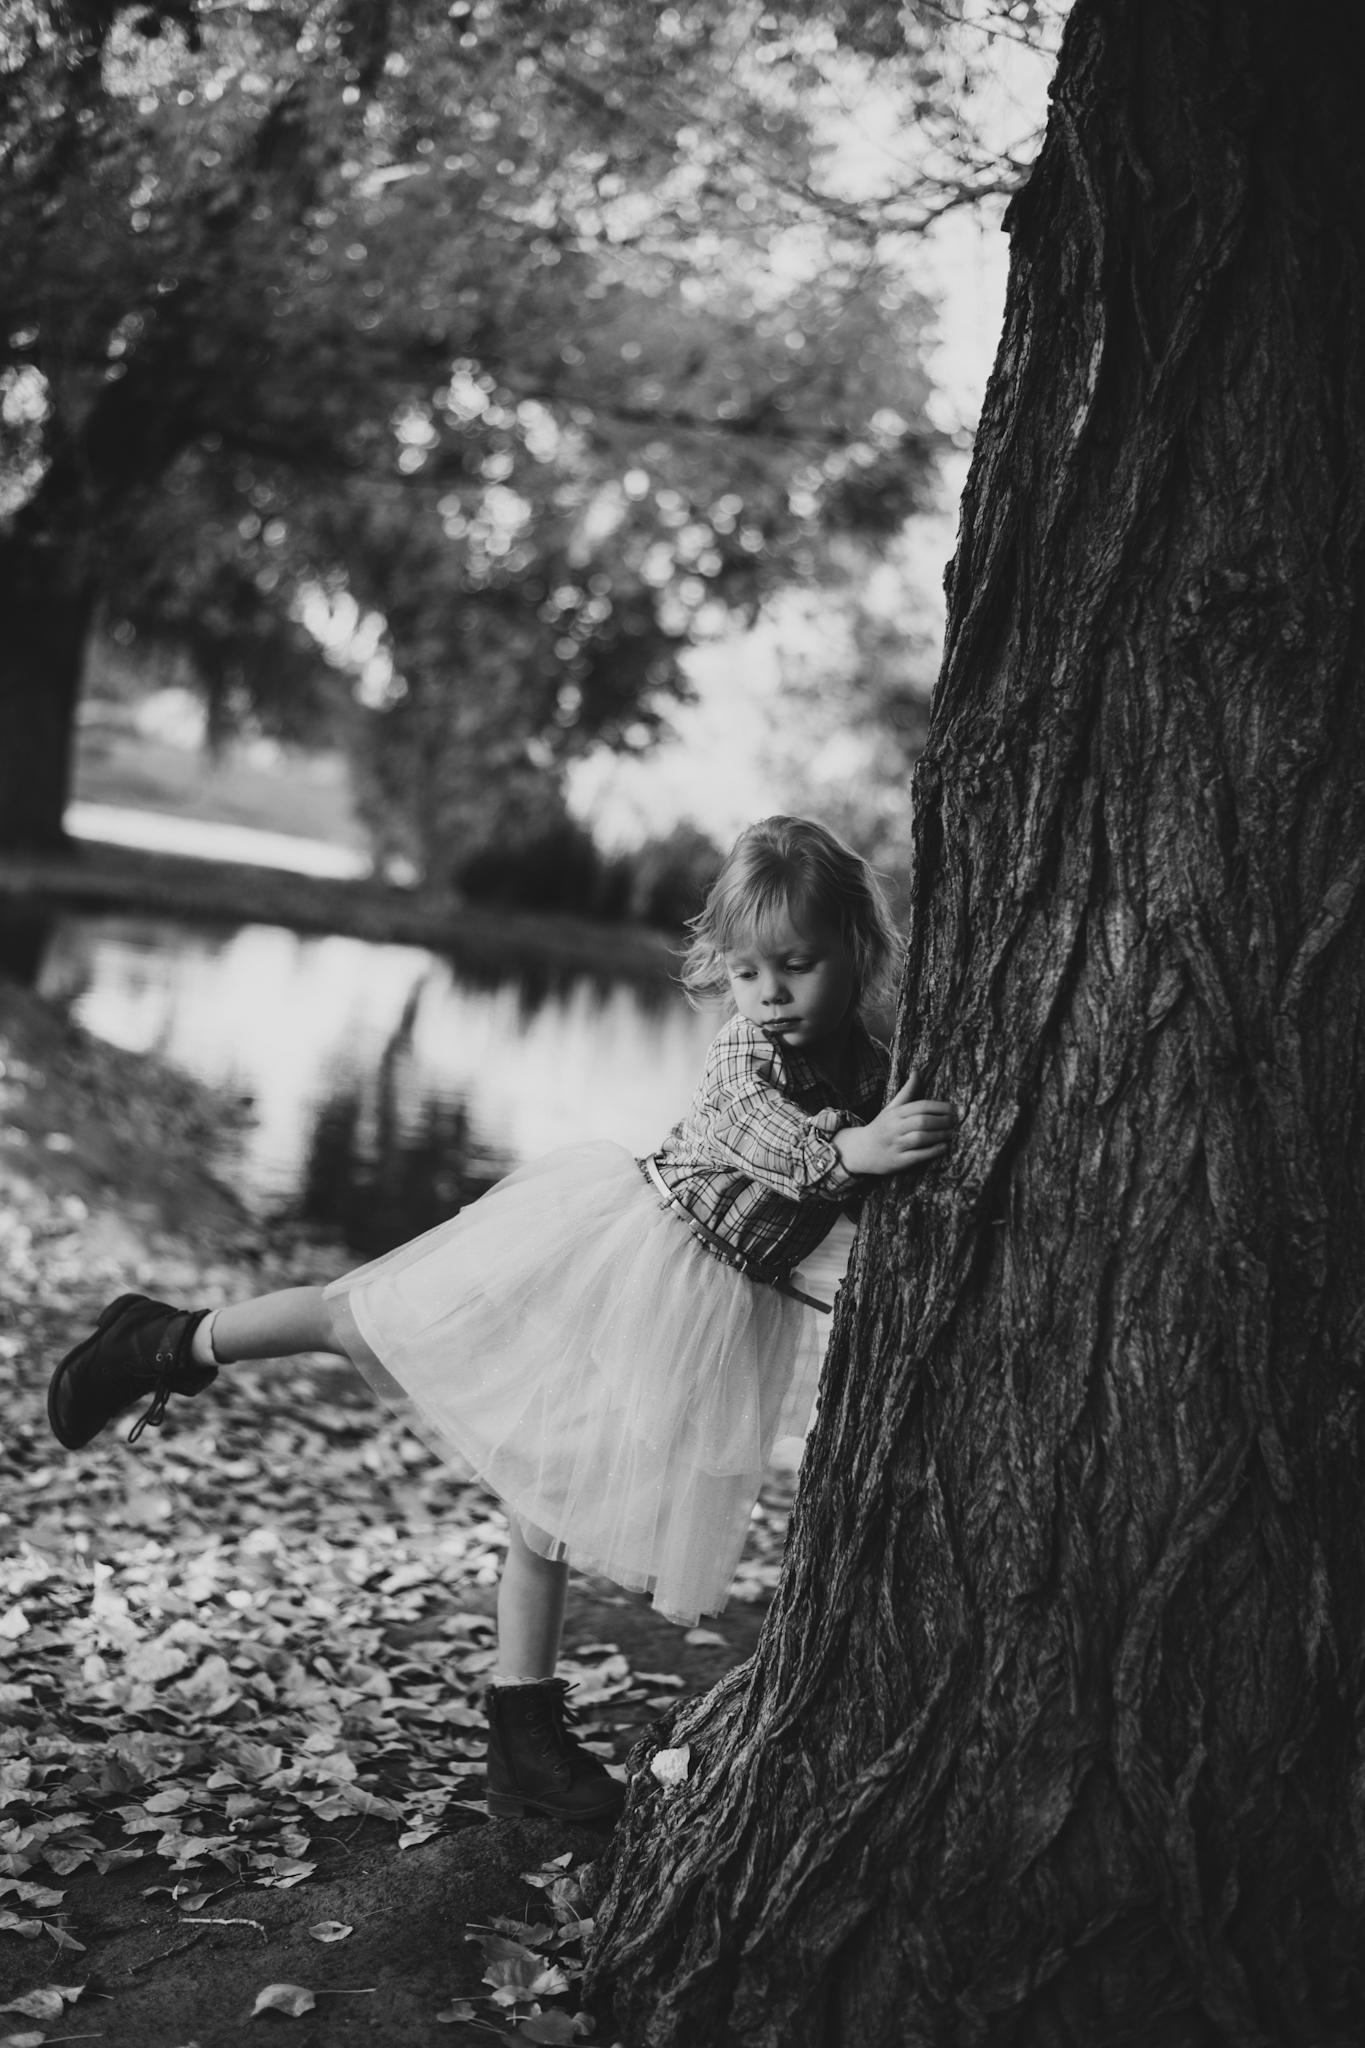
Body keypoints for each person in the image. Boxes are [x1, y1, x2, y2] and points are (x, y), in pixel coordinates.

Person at [46, 817, 958, 1826]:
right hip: (615, 1254)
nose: (771, 993)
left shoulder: (872, 1074)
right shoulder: (748, 1052)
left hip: (701, 1313)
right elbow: (763, 1134)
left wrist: (876, 1162)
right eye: (748, 972)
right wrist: (851, 1158)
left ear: (858, 951)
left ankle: (522, 1727)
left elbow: (862, 1193)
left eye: (797, 965)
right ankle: (170, 1341)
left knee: (550, 1497)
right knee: (371, 1316)